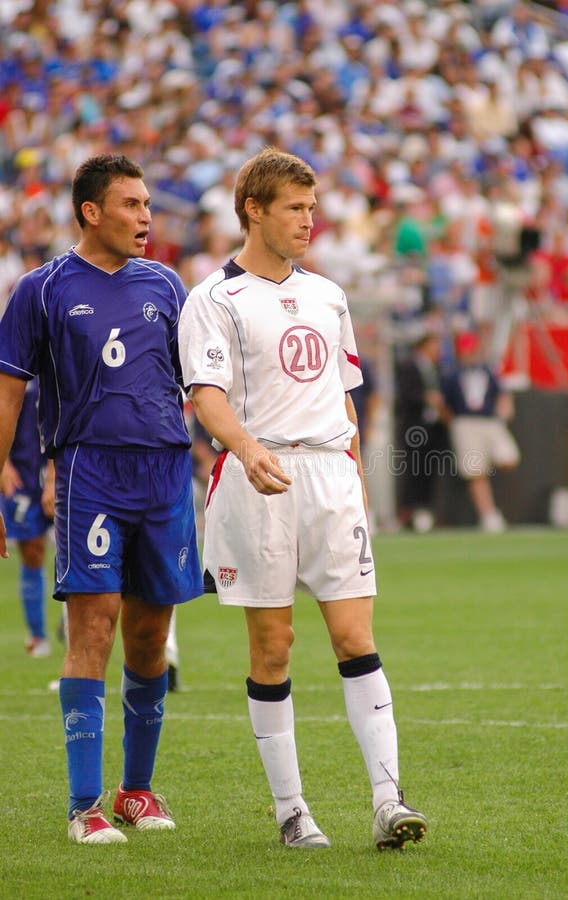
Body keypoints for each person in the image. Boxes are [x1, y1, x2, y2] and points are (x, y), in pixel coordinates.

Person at [178, 146, 427, 851]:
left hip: (330, 479)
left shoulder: (328, 295)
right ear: (253, 210)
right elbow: (206, 397)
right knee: (275, 646)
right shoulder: (213, 299)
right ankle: (293, 811)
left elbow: (339, 401)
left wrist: (357, 485)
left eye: (312, 207)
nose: (308, 220)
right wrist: (249, 448)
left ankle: (389, 801)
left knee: (355, 637)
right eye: (294, 207)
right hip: (258, 478)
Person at [0, 153, 204, 844]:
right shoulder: (43, 288)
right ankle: (83, 806)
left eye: (148, 204)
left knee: (151, 635)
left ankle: (136, 792)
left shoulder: (168, 285)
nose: (146, 217)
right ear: (92, 211)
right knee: (95, 626)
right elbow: (8, 392)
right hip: (91, 473)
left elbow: (196, 383)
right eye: (131, 204)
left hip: (166, 474)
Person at [441, 330, 520, 533]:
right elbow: (444, 403)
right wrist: (453, 422)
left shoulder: (487, 370)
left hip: (489, 421)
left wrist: (504, 408)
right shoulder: (452, 373)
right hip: (466, 422)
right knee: (476, 473)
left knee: (508, 458)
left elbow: (501, 393)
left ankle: (493, 506)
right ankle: (489, 515)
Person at [0, 377, 54, 657]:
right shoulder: (13, 351)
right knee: (32, 550)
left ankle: (73, 625)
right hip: (23, 471)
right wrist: (3, 465)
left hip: (65, 466)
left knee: (83, 552)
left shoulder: (64, 345)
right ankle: (37, 635)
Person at [393, 331, 451, 533]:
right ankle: (408, 512)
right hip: (414, 427)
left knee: (429, 471)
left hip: (433, 428)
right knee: (412, 471)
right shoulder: (408, 366)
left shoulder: (438, 369)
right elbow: (405, 395)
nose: (439, 351)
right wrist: (426, 398)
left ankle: (425, 510)